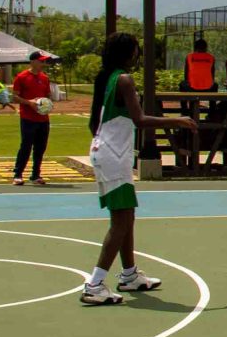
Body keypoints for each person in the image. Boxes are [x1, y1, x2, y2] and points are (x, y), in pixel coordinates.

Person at [81, 32, 189, 304]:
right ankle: (94, 285)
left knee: (126, 217)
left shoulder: (106, 78)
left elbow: (93, 123)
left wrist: (106, 144)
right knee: (120, 222)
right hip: (113, 157)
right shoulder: (124, 80)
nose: (138, 54)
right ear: (129, 53)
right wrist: (177, 120)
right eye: (136, 50)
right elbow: (139, 120)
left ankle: (129, 275)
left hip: (106, 152)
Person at [11, 50, 54, 184]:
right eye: (41, 61)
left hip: (43, 119)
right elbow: (15, 97)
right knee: (26, 146)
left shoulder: (45, 78)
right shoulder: (22, 77)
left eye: (44, 61)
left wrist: (46, 103)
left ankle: (35, 175)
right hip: (28, 118)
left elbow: (48, 95)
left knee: (40, 148)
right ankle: (18, 174)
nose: (43, 63)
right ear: (33, 61)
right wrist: (29, 102)